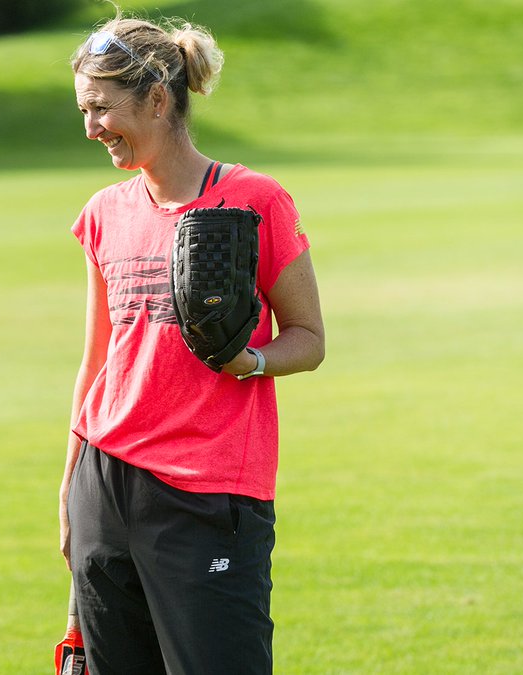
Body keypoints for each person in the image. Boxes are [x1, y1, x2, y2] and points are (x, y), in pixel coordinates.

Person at [58, 13, 326, 675]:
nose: (91, 127)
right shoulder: (103, 212)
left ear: (157, 99)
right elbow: (97, 361)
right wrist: (70, 488)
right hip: (105, 481)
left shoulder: (256, 200)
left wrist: (251, 360)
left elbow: (310, 338)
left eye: (101, 108)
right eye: (83, 109)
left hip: (209, 491)